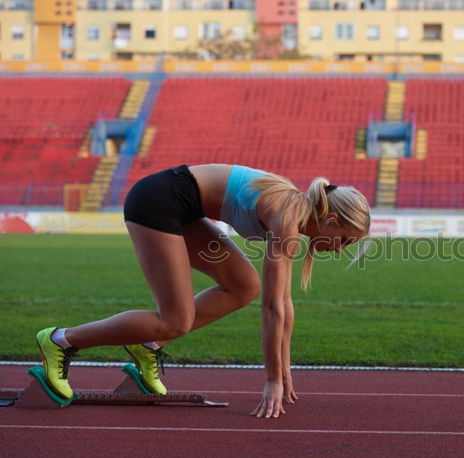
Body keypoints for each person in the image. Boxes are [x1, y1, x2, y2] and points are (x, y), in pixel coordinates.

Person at [35, 164, 370, 418]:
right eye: (345, 240)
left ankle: (148, 346)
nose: (340, 249)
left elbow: (283, 303)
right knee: (175, 320)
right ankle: (61, 340)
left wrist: (284, 372)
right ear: (332, 218)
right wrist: (272, 380)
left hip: (183, 207)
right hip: (158, 201)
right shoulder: (287, 219)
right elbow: (272, 310)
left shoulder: (295, 216)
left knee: (244, 286)